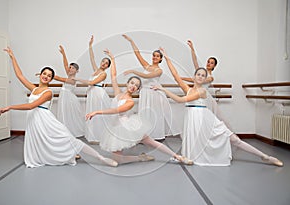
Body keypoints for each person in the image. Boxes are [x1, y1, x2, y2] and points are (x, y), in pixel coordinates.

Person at [153, 47, 283, 167]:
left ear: (205, 80)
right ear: (194, 77)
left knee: (234, 139)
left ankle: (265, 156)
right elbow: (175, 75)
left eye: (203, 76)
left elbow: (180, 100)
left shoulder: (202, 92)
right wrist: (167, 58)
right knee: (196, 144)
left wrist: (163, 90)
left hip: (205, 118)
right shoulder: (187, 89)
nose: (200, 77)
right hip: (192, 119)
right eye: (198, 74)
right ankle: (194, 156)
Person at [0, 47, 118, 168]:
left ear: (51, 79)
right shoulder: (34, 89)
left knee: (70, 140)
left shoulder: (48, 92)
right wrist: (12, 58)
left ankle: (101, 158)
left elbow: (31, 106)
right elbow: (20, 76)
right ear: (40, 75)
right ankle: (68, 154)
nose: (46, 76)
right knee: (47, 142)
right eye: (44, 73)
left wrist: (10, 107)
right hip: (35, 121)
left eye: (49, 76)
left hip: (46, 121)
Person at [86, 49, 192, 165]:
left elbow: (116, 110)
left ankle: (178, 156)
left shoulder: (130, 102)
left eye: (136, 86)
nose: (133, 86)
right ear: (127, 84)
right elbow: (113, 75)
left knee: (151, 142)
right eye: (132, 83)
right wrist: (112, 59)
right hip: (116, 128)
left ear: (137, 90)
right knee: (117, 161)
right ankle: (141, 158)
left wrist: (96, 112)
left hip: (130, 127)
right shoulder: (118, 93)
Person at [122, 34, 181, 141]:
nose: (155, 57)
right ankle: (144, 135)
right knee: (144, 113)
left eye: (157, 56)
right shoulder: (147, 66)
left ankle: (156, 136)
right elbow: (137, 54)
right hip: (144, 93)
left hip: (153, 94)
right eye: (154, 55)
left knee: (154, 114)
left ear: (160, 59)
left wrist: (133, 71)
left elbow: (146, 76)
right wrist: (131, 41)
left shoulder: (159, 70)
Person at [74, 35, 111, 144]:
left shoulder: (103, 74)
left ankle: (100, 136)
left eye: (106, 63)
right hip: (92, 94)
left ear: (108, 67)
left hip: (98, 94)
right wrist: (90, 46)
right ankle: (94, 135)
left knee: (98, 114)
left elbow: (91, 82)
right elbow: (92, 58)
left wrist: (77, 78)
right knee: (92, 114)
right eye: (103, 62)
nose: (103, 64)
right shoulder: (96, 70)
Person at [52, 45, 85, 138]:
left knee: (69, 115)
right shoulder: (69, 75)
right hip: (64, 97)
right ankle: (64, 131)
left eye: (73, 68)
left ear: (77, 71)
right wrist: (63, 53)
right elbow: (65, 64)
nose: (70, 69)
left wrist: (47, 74)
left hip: (69, 98)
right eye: (70, 68)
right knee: (64, 113)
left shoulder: (73, 79)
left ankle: (71, 131)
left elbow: (59, 78)